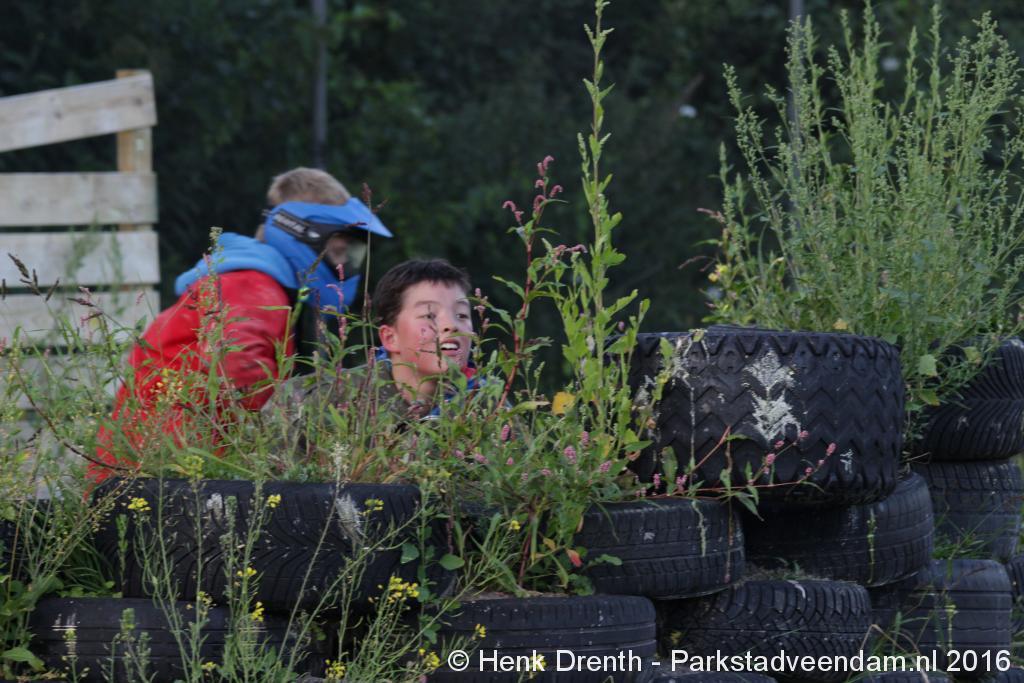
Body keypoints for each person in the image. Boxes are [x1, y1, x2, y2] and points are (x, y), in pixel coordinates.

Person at [89, 168, 392, 482]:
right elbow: (243, 382)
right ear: (304, 234)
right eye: (339, 250)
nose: (345, 264)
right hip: (159, 473)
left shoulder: (262, 285)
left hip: (168, 465)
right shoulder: (252, 286)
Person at [261, 258, 478, 458]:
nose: (452, 325)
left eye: (461, 315)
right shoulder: (314, 402)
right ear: (390, 338)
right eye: (430, 315)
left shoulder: (484, 411)